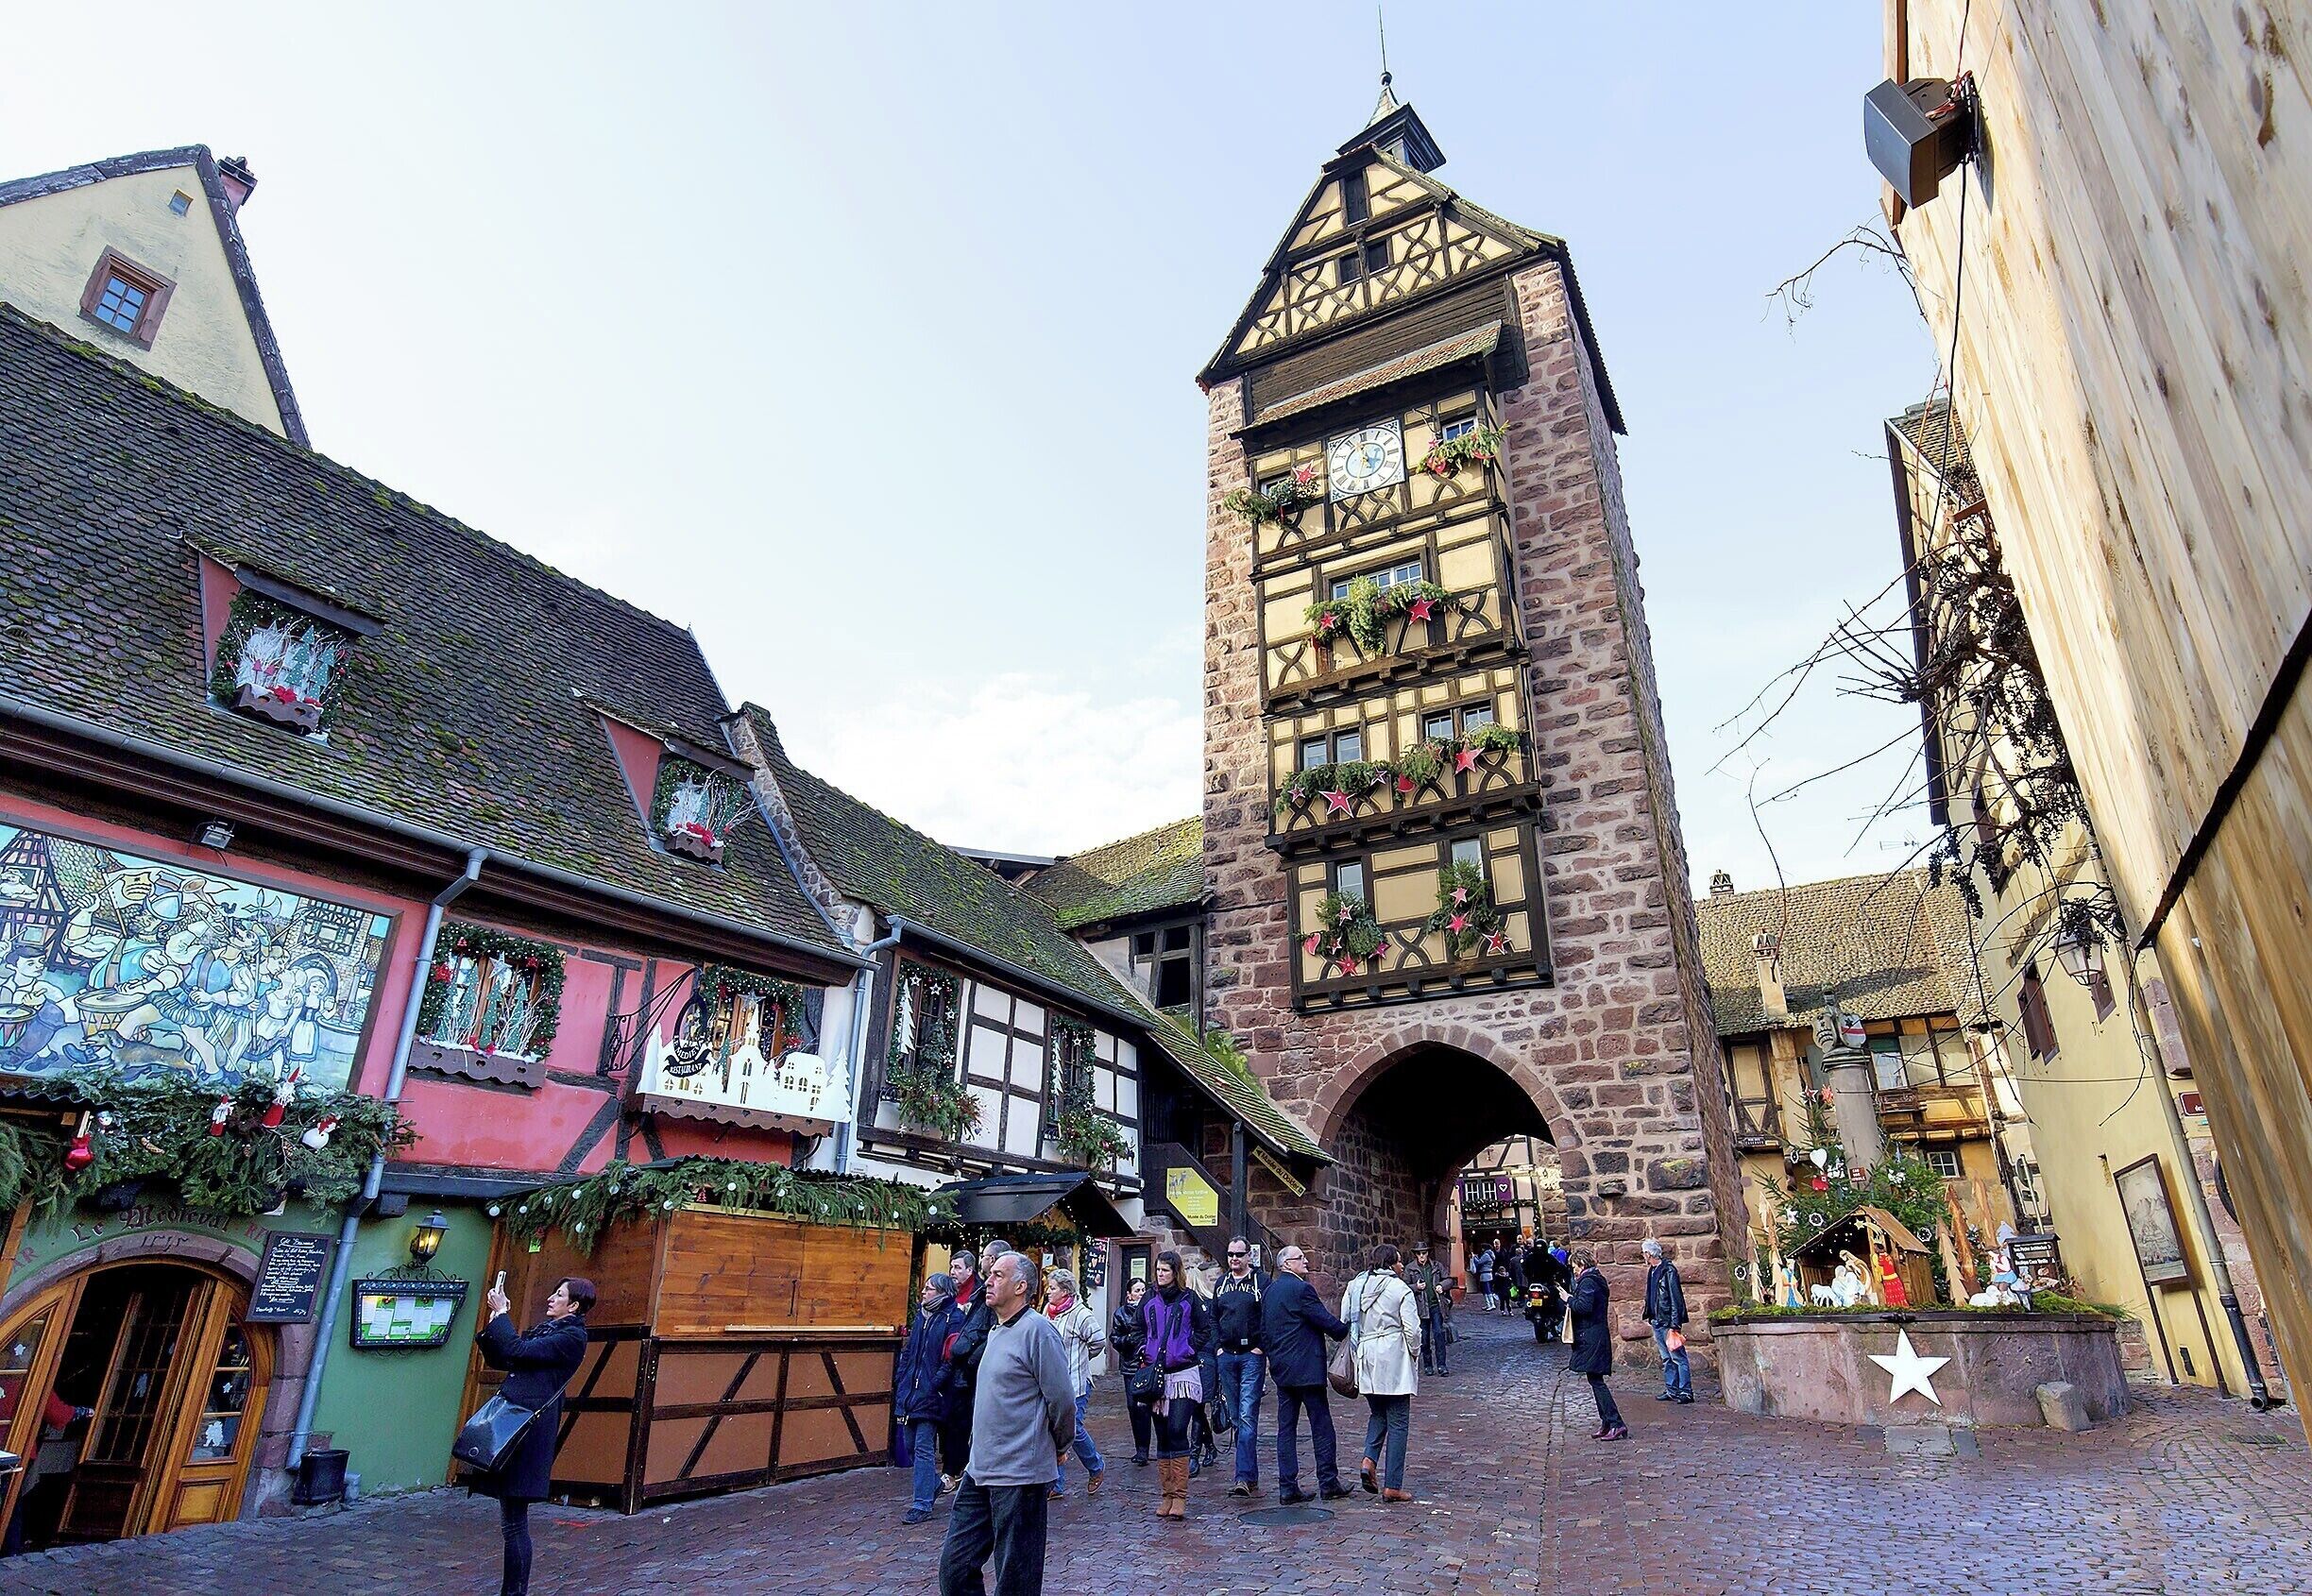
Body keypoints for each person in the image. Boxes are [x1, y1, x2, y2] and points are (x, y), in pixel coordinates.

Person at [939, 1251, 1075, 1596]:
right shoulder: (996, 1330)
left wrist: (1060, 1445)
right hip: (979, 1469)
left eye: (998, 1275)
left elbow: (1061, 1400)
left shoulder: (1038, 1332)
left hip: (1021, 1473)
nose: (988, 1279)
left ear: (1021, 1286)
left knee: (1017, 1580)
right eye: (991, 1273)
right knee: (955, 1571)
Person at [473, 1276, 594, 1596]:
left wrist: (502, 1315)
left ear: (574, 1305)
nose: (552, 1298)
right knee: (510, 1520)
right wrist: (495, 1318)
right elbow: (506, 1357)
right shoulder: (549, 1330)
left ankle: (514, 1593)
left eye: (559, 1294)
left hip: (528, 1431)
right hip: (515, 1424)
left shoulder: (571, 1337)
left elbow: (516, 1348)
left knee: (514, 1522)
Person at [1260, 1243, 1352, 1505]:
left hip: (1283, 1370)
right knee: (1321, 1425)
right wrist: (1345, 1330)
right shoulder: (1302, 1289)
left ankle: (1287, 1486)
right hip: (1307, 1370)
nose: (1306, 1261)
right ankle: (1328, 1481)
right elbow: (1323, 1320)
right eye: (1300, 1258)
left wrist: (1274, 1358)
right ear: (1286, 1264)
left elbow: (1263, 1330)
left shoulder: (1270, 1291)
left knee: (1286, 1429)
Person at [1344, 1244, 1421, 1503]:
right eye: (1399, 1262)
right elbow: (1412, 1330)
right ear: (1391, 1263)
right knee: (1399, 1421)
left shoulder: (1356, 1286)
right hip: (1394, 1356)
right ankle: (1393, 1485)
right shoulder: (1400, 1289)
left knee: (1378, 1413)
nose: (1402, 1266)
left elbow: (1346, 1316)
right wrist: (1415, 1352)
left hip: (1367, 1355)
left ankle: (1369, 1459)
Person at [1139, 1250, 1214, 1520]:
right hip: (1156, 1375)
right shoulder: (1149, 1299)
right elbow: (1137, 1330)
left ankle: (1180, 1496)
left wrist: (1187, 1349)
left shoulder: (1189, 1298)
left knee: (1177, 1428)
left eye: (1165, 1270)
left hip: (1183, 1374)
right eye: (1158, 1270)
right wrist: (1142, 1350)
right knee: (1162, 1434)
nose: (1160, 1274)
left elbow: (1205, 1329)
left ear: (1175, 1272)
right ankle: (1166, 1494)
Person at [897, 1272, 963, 1524]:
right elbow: (910, 1352)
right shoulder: (921, 1317)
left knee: (924, 1446)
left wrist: (935, 1384)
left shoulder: (953, 1318)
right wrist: (901, 1379)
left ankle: (921, 1504)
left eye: (929, 1289)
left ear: (943, 1293)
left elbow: (952, 1357)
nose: (924, 1293)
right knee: (910, 1444)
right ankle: (933, 1485)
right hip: (911, 1392)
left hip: (932, 1394)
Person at [1042, 1266, 1108, 1499]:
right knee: (1054, 1431)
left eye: (1053, 1288)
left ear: (1065, 1291)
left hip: (1076, 1382)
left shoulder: (1081, 1314)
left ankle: (1096, 1466)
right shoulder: (1047, 1312)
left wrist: (1083, 1359)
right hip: (1053, 1384)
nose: (1048, 1292)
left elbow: (1099, 1341)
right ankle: (1056, 1485)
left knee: (1073, 1429)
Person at [1210, 1236, 1266, 1496]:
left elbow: (1269, 1316)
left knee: (1246, 1414)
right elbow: (1213, 1318)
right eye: (1231, 1254)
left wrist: (1260, 1346)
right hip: (1227, 1356)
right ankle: (1250, 1475)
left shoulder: (1260, 1282)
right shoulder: (1221, 1284)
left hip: (1251, 1356)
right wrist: (1218, 1348)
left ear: (1248, 1256)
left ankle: (1242, 1477)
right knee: (1236, 1416)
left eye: (1239, 1254)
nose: (1234, 1259)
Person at [940, 1249, 994, 1486]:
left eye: (958, 1268)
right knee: (951, 1420)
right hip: (950, 1366)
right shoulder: (949, 1294)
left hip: (967, 1370)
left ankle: (956, 1470)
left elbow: (988, 1334)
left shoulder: (980, 1294)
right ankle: (952, 1467)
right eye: (951, 1268)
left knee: (963, 1421)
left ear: (971, 1270)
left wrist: (970, 1360)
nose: (953, 1272)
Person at [1568, 1248, 1626, 1440]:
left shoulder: (1588, 1282)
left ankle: (1616, 1423)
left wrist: (1567, 1299)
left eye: (1575, 1266)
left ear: (1582, 1264)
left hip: (1591, 1336)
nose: (1574, 1270)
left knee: (1597, 1381)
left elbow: (1584, 1307)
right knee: (1595, 1379)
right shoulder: (1594, 1280)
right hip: (1595, 1334)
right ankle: (1608, 1422)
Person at [1642, 1238, 1693, 1404]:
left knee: (1678, 1357)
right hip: (1657, 1320)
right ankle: (1672, 1390)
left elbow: (1675, 1298)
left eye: (1644, 1253)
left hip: (1667, 1322)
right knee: (1667, 1358)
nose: (1643, 1256)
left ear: (1649, 1254)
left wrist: (1675, 1324)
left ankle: (1686, 1392)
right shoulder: (1652, 1271)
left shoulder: (1668, 1270)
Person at [1110, 1276, 1154, 1466]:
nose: (1141, 1293)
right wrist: (1129, 1340)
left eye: (1143, 1290)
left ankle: (1146, 1450)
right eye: (1137, 1290)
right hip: (1130, 1366)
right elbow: (1115, 1338)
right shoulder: (1121, 1314)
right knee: (1133, 1407)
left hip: (1149, 1365)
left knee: (1147, 1407)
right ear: (1129, 1295)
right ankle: (1140, 1448)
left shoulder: (1151, 1310)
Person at [1405, 1244, 1453, 1377]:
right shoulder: (1410, 1268)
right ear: (1416, 1254)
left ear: (1427, 1253)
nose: (1422, 1256)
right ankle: (1428, 1365)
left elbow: (1449, 1280)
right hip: (1420, 1308)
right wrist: (1416, 1287)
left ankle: (1442, 1365)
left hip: (1436, 1306)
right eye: (1419, 1253)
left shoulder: (1436, 1266)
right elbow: (1403, 1286)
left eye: (1424, 1253)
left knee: (1439, 1335)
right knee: (1424, 1338)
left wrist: (1442, 1286)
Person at [1473, 1242, 1497, 1311]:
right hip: (1488, 1273)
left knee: (1486, 1289)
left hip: (1485, 1274)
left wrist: (1474, 1257)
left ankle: (1491, 1304)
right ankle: (1488, 1304)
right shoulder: (1490, 1254)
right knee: (1486, 1289)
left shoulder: (1486, 1255)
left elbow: (1479, 1262)